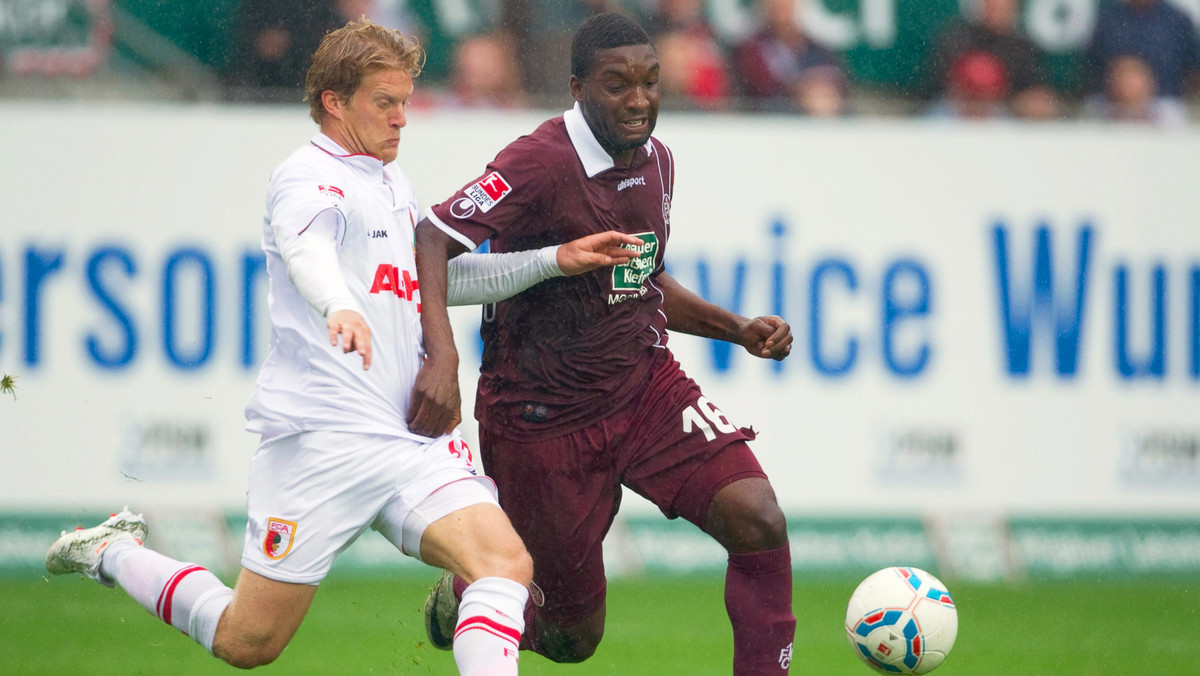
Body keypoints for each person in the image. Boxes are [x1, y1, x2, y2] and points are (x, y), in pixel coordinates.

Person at [44, 19, 641, 675]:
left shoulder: (389, 181)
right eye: (385, 103)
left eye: (406, 102)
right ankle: (110, 550)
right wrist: (341, 305)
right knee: (248, 642)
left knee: (504, 564)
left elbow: (434, 283)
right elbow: (308, 251)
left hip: (411, 437)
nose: (401, 119)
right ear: (334, 100)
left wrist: (555, 259)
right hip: (322, 442)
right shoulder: (305, 179)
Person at [411, 12, 796, 676]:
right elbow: (431, 237)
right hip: (543, 420)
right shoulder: (538, 161)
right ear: (578, 86)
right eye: (619, 85)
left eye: (650, 82)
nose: (640, 99)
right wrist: (442, 357)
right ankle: (468, 596)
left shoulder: (658, 162)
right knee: (572, 639)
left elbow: (640, 279)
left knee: (757, 518)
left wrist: (737, 329)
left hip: (643, 387)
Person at [923, 0, 1060, 120]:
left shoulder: (1023, 48)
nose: (997, 9)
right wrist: (970, 96)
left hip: (1000, 112)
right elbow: (934, 84)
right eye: (992, 4)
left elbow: (1034, 92)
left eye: (1003, 5)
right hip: (955, 111)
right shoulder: (957, 38)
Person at [733, 0, 847, 114]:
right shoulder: (752, 50)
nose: (782, 5)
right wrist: (799, 91)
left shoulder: (816, 48)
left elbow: (837, 78)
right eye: (776, 3)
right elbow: (760, 90)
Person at [1082, 0, 1200, 108]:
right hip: (1111, 105)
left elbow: (1193, 70)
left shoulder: (1177, 19)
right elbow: (1091, 67)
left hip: (1164, 104)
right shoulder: (1109, 18)